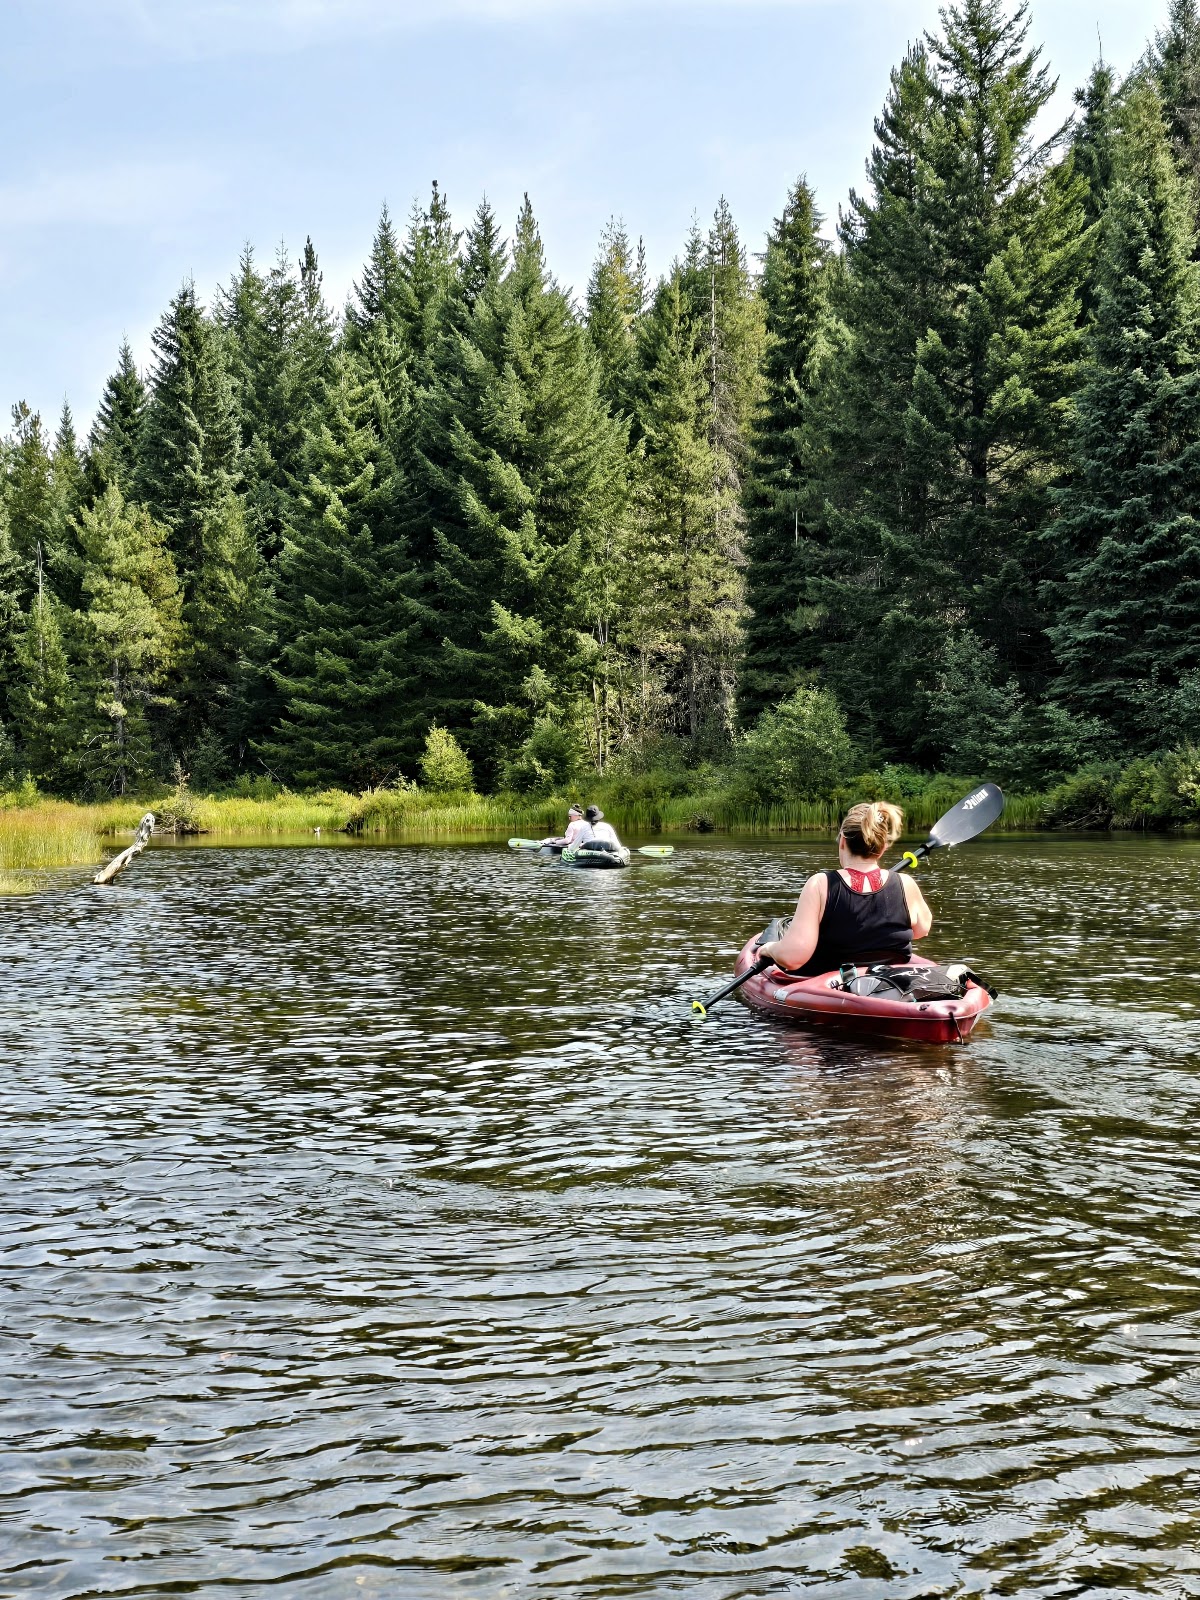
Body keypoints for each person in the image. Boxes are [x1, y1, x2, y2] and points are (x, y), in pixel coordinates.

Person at [756, 801, 932, 976]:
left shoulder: (820, 884)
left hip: (829, 984)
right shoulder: (906, 883)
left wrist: (769, 948)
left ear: (842, 841)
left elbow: (793, 957)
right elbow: (921, 930)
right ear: (883, 846)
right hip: (889, 984)